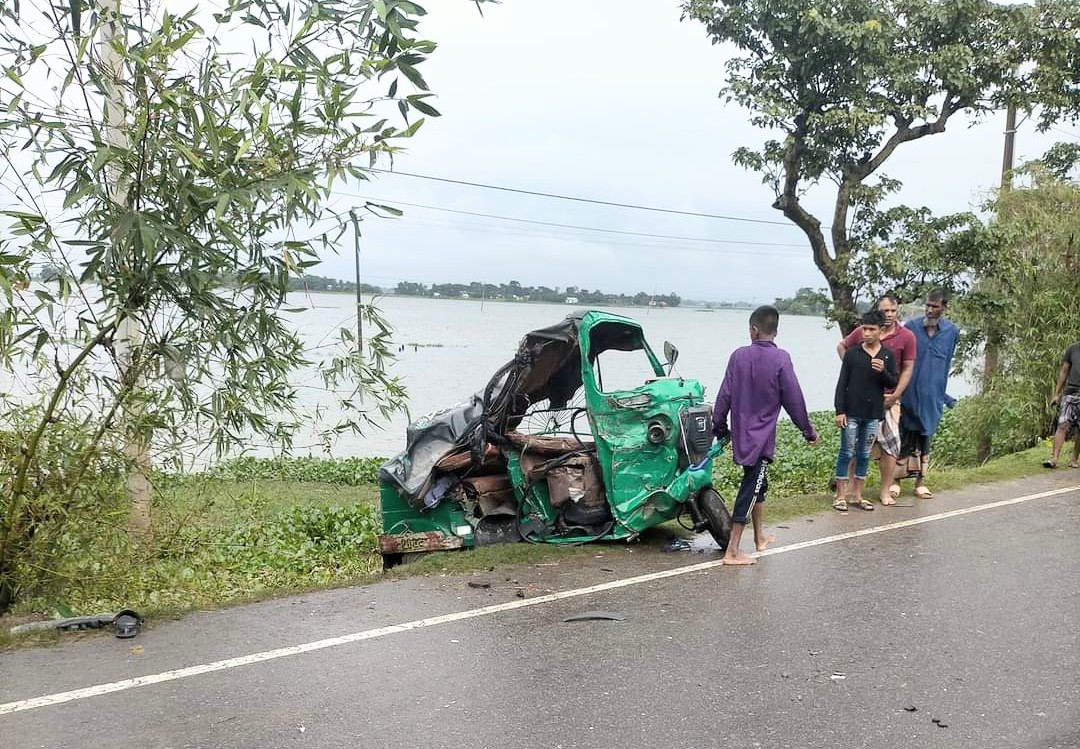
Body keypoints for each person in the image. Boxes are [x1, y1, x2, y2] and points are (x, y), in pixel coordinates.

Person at [712, 305, 819, 566]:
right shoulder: (781, 359)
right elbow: (794, 399)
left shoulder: (738, 356)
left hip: (742, 437)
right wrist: (808, 431)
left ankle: (759, 538)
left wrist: (719, 427)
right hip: (761, 441)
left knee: (759, 485)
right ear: (775, 331)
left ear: (754, 329)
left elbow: (724, 394)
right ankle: (733, 551)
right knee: (750, 489)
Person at [835, 294, 916, 505]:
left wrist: (896, 393)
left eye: (892, 311)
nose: (889, 315)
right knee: (852, 448)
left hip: (889, 398)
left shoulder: (905, 336)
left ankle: (885, 490)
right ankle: (849, 491)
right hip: (859, 401)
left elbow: (906, 368)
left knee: (890, 444)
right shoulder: (862, 334)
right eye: (885, 311)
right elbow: (842, 348)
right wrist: (857, 369)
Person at [832, 310, 898, 511]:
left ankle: (857, 495)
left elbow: (893, 382)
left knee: (864, 453)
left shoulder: (887, 355)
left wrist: (883, 371)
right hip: (851, 412)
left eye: (871, 329)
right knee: (846, 451)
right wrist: (839, 410)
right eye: (864, 329)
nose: (867, 333)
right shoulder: (853, 353)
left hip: (872, 413)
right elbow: (842, 383)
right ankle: (840, 495)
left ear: (881, 330)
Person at [900, 289, 959, 498]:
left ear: (944, 307)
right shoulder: (911, 328)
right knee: (904, 435)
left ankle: (920, 482)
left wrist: (943, 393)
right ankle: (896, 480)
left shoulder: (952, 331)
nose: (930, 310)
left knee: (925, 437)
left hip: (933, 394)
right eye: (928, 305)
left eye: (935, 306)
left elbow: (947, 361)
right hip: (908, 392)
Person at [1044, 340, 1080, 469]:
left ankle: (1074, 459)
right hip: (1071, 392)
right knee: (1062, 424)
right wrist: (1057, 394)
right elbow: (1064, 371)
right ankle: (1054, 459)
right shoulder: (1073, 349)